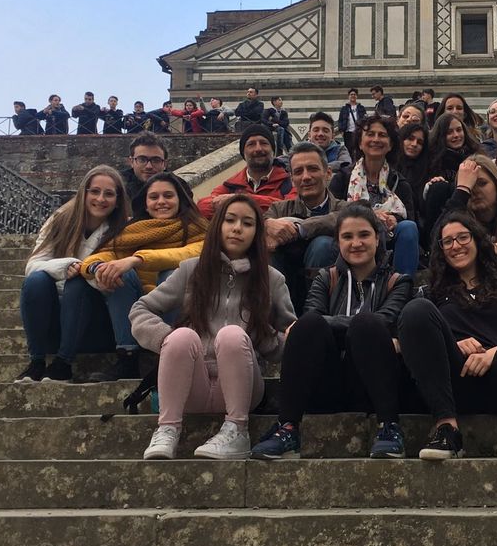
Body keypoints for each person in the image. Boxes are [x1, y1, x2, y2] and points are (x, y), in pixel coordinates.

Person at [132, 194, 296, 460]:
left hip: (243, 387)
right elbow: (141, 309)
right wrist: (165, 340)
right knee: (182, 336)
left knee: (231, 335)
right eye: (230, 220)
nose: (237, 228)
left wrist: (261, 336)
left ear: (257, 233)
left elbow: (290, 340)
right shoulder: (191, 270)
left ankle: (237, 430)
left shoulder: (272, 279)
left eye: (247, 223)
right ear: (218, 225)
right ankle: (167, 429)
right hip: (191, 385)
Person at [252, 204, 414, 460]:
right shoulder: (325, 278)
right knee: (309, 325)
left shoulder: (399, 282)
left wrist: (342, 325)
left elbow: (384, 322)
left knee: (367, 324)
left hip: (373, 385)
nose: (356, 243)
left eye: (364, 235)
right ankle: (287, 428)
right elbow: (312, 319)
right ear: (338, 243)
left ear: (377, 238)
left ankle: (389, 427)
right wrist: (347, 326)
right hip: (327, 381)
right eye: (347, 237)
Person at [398, 213, 497, 459]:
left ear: (477, 241)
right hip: (453, 383)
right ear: (441, 250)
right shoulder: (430, 291)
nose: (456, 245)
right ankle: (446, 429)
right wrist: (454, 344)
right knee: (415, 311)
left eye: (463, 237)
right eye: (447, 241)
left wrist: (492, 353)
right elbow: (412, 339)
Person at [82, 172, 208, 381]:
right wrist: (97, 268)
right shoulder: (133, 231)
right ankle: (127, 357)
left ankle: (168, 354)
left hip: (181, 309)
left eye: (168, 196)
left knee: (173, 273)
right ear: (146, 204)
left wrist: (137, 259)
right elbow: (102, 255)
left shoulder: (200, 228)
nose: (161, 202)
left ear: (180, 200)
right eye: (154, 197)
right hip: (139, 306)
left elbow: (188, 254)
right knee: (118, 272)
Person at [15, 166, 131, 383]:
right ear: (83, 193)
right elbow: (32, 265)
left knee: (78, 283)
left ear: (117, 200)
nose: (100, 199)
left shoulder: (124, 229)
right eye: (94, 191)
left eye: (109, 194)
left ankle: (63, 363)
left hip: (96, 325)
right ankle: (36, 362)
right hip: (56, 322)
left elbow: (119, 283)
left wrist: (85, 272)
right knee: (36, 281)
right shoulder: (60, 220)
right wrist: (66, 266)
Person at [330, 114, 419, 275]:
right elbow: (333, 212)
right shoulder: (342, 178)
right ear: (360, 143)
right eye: (370, 134)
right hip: (352, 237)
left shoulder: (399, 182)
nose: (376, 139)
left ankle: (402, 284)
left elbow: (410, 217)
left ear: (390, 145)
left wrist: (394, 219)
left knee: (408, 228)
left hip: (389, 237)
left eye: (382, 135)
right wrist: (370, 216)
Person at [266, 142, 346, 313]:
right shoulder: (277, 210)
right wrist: (265, 225)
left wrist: (300, 227)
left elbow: (346, 219)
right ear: (292, 180)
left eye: (313, 169)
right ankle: (277, 317)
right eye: (298, 172)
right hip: (286, 285)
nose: (306, 177)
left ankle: (315, 315)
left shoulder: (345, 209)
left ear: (328, 173)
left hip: (330, 294)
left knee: (322, 245)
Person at [197, 125, 295, 217]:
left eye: (264, 143)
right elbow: (202, 207)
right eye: (251, 144)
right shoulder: (232, 184)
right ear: (243, 153)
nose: (258, 149)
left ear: (273, 150)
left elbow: (293, 207)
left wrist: (237, 200)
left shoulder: (291, 181)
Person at [424, 112, 483, 234]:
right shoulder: (431, 161)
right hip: (444, 219)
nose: (456, 135)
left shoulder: (477, 156)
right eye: (449, 132)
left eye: (459, 130)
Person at [392, 120, 430, 218]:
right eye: (410, 138)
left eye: (420, 142)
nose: (414, 144)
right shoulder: (387, 166)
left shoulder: (426, 170)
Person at [121, 134, 168, 201]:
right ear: (131, 162)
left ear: (165, 164)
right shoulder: (118, 186)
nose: (149, 166)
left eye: (156, 160)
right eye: (142, 160)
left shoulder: (177, 187)